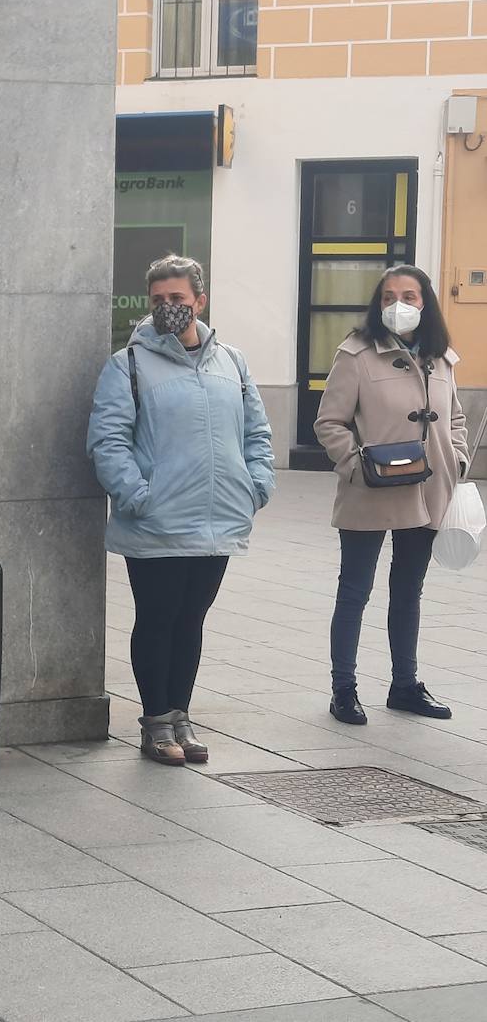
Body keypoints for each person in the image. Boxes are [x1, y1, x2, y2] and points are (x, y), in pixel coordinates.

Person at [88, 255, 275, 765]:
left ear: (199, 301)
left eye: (177, 299)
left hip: (218, 520)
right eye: (158, 301)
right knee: (158, 618)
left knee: (191, 620)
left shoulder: (231, 362)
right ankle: (154, 724)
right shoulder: (127, 363)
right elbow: (108, 441)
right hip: (156, 522)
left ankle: (181, 717)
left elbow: (257, 433)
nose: (168, 308)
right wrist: (138, 496)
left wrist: (255, 485)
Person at [315, 265, 468, 726]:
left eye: (409, 295)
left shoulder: (441, 358)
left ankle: (405, 685)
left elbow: (455, 418)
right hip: (371, 491)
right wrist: (356, 464)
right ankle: (344, 689)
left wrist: (456, 459)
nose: (398, 305)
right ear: (377, 303)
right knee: (354, 592)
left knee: (408, 592)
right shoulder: (356, 354)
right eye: (388, 296)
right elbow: (329, 422)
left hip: (427, 493)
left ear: (426, 303)